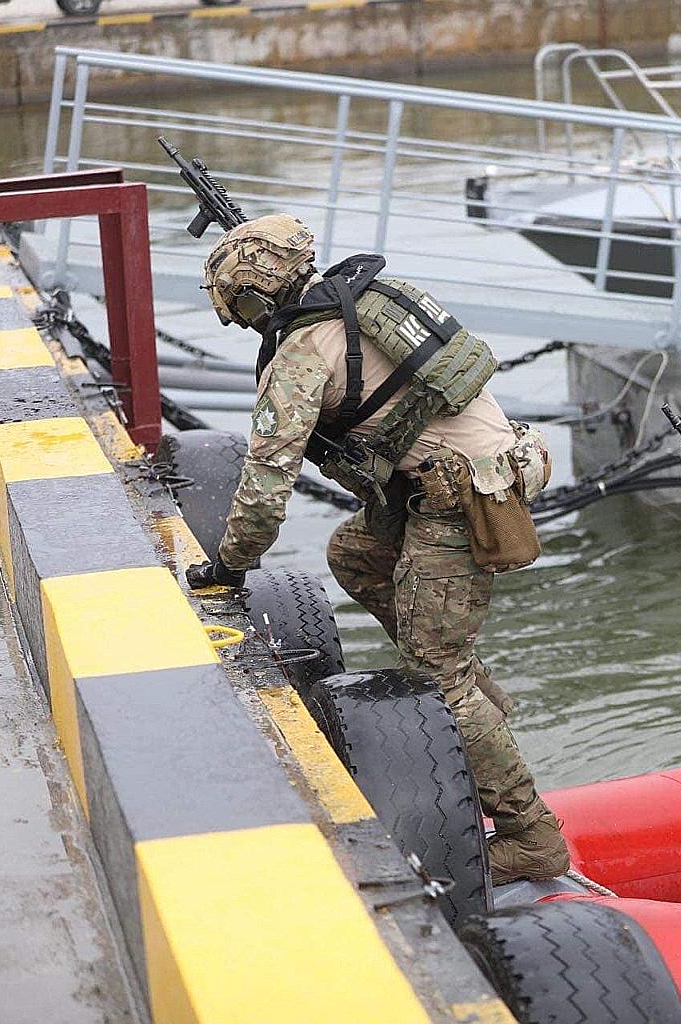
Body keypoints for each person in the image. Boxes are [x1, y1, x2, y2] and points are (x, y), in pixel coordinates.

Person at [183, 214, 567, 883]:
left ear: (256, 298)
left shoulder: (301, 353)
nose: (245, 322)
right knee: (355, 555)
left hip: (458, 502)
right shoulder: (363, 302)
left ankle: (530, 834)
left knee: (436, 669)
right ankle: (484, 709)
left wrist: (229, 563)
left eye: (241, 308)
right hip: (477, 476)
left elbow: (266, 485)